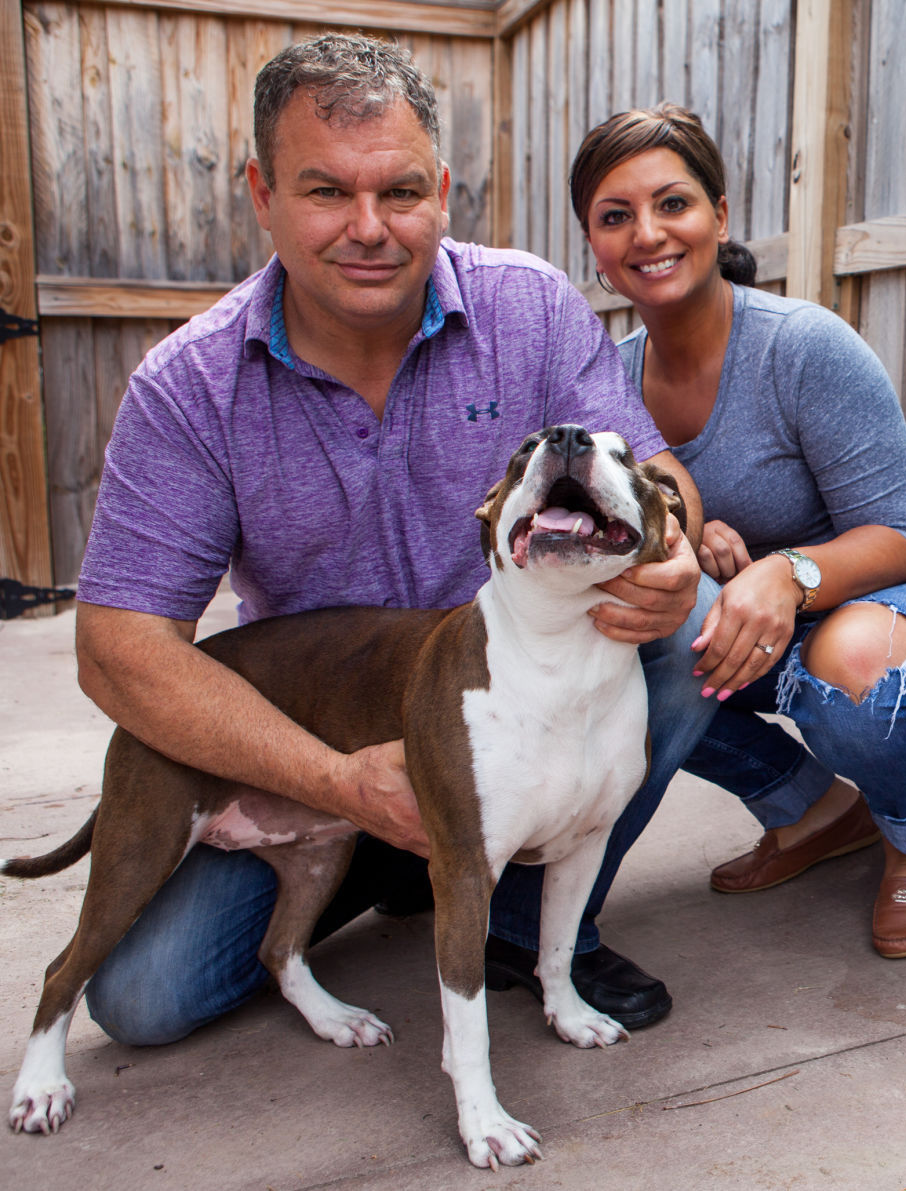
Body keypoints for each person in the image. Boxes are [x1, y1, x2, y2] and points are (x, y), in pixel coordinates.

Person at [70, 35, 721, 1042]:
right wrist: (330, 782)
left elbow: (648, 470)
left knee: (695, 618)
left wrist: (672, 556)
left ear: (443, 190)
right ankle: (392, 853)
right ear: (261, 193)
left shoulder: (528, 306)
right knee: (142, 998)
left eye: (401, 192)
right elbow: (119, 652)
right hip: (323, 737)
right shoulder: (189, 386)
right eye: (326, 191)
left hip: (518, 707)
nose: (370, 230)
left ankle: (523, 921)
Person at [567, 105, 906, 958]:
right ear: (593, 248)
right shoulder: (611, 381)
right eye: (615, 216)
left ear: (718, 214)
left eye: (671, 203)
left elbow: (901, 539)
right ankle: (816, 806)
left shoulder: (800, 346)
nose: (647, 233)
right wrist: (715, 541)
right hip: (822, 608)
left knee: (856, 660)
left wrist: (782, 572)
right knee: (633, 637)